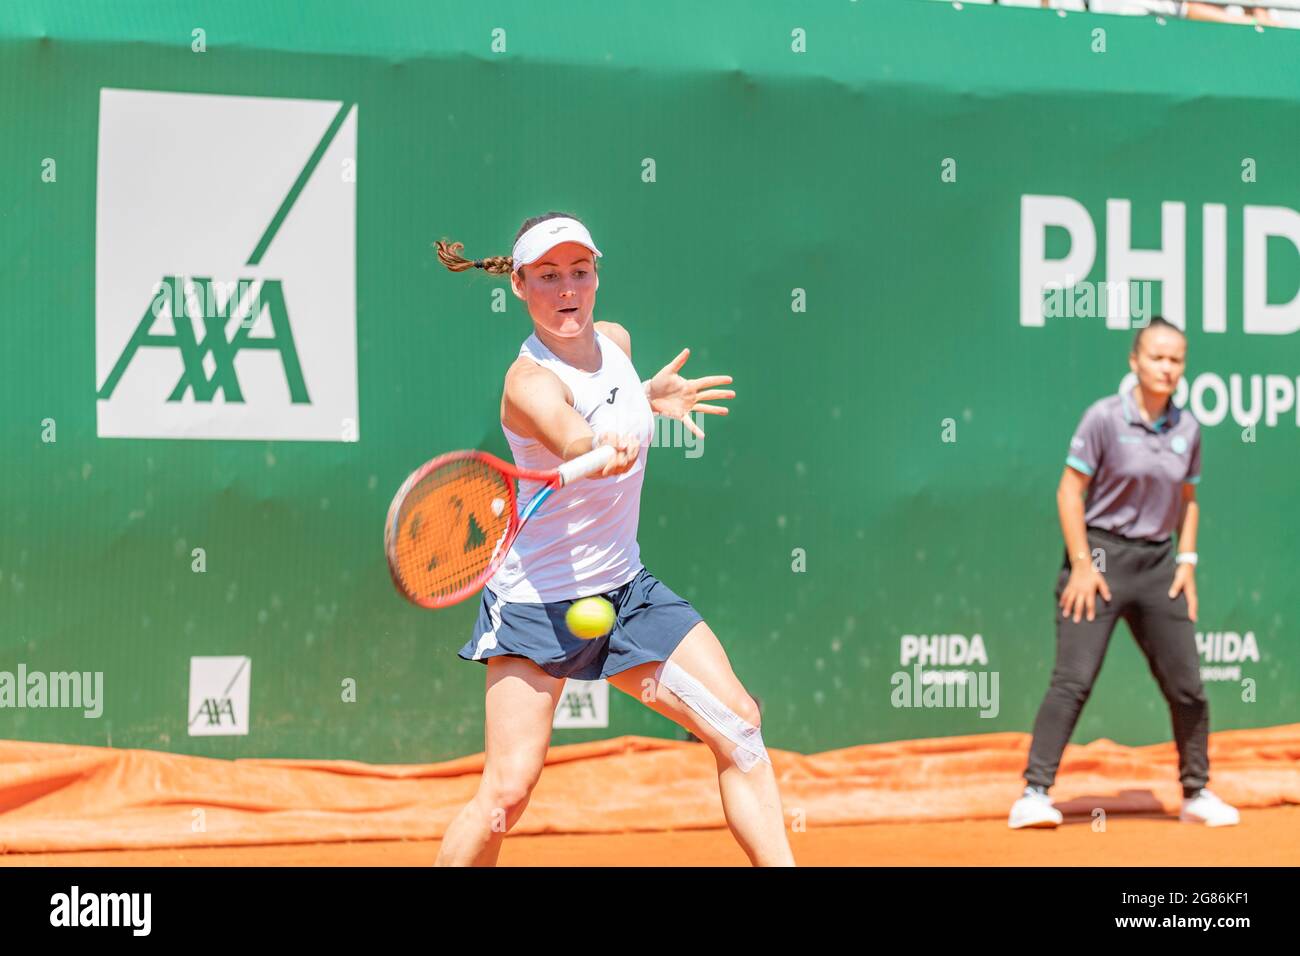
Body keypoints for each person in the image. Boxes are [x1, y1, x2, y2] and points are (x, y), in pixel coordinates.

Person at [430, 212, 795, 865]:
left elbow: (611, 394)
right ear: (518, 285)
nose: (566, 289)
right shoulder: (528, 382)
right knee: (507, 794)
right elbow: (567, 428)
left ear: (596, 275)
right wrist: (596, 446)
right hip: (535, 609)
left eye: (579, 271)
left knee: (740, 728)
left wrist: (648, 396)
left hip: (625, 595)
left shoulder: (617, 343)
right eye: (547, 276)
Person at [1010, 316, 1240, 829]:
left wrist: (1188, 561)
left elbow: (1189, 500)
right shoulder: (1103, 419)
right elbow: (1069, 492)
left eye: (1176, 359)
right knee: (1073, 679)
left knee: (1189, 687)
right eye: (1157, 357)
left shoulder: (1188, 428)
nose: (1167, 367)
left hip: (1159, 564)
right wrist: (1083, 565)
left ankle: (1196, 793)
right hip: (1101, 558)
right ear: (1134, 361)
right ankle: (1034, 792)